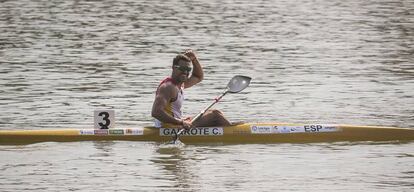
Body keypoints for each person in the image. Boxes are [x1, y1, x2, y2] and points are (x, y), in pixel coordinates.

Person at [151, 49, 231, 129]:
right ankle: (234, 133)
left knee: (216, 112)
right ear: (173, 68)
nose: (185, 72)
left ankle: (228, 131)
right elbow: (156, 112)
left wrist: (194, 60)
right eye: (182, 68)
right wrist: (181, 122)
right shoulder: (167, 87)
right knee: (215, 116)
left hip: (176, 123)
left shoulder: (180, 84)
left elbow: (198, 77)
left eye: (188, 69)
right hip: (168, 128)